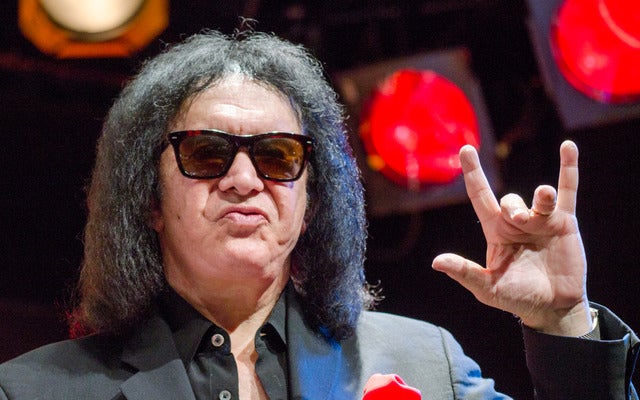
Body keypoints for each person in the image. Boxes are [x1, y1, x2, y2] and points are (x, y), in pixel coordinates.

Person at [0, 28, 638, 400]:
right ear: (148, 200)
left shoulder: (424, 363)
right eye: (207, 153)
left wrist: (563, 322)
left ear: (309, 205)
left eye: (277, 156)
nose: (244, 180)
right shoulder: (35, 390)